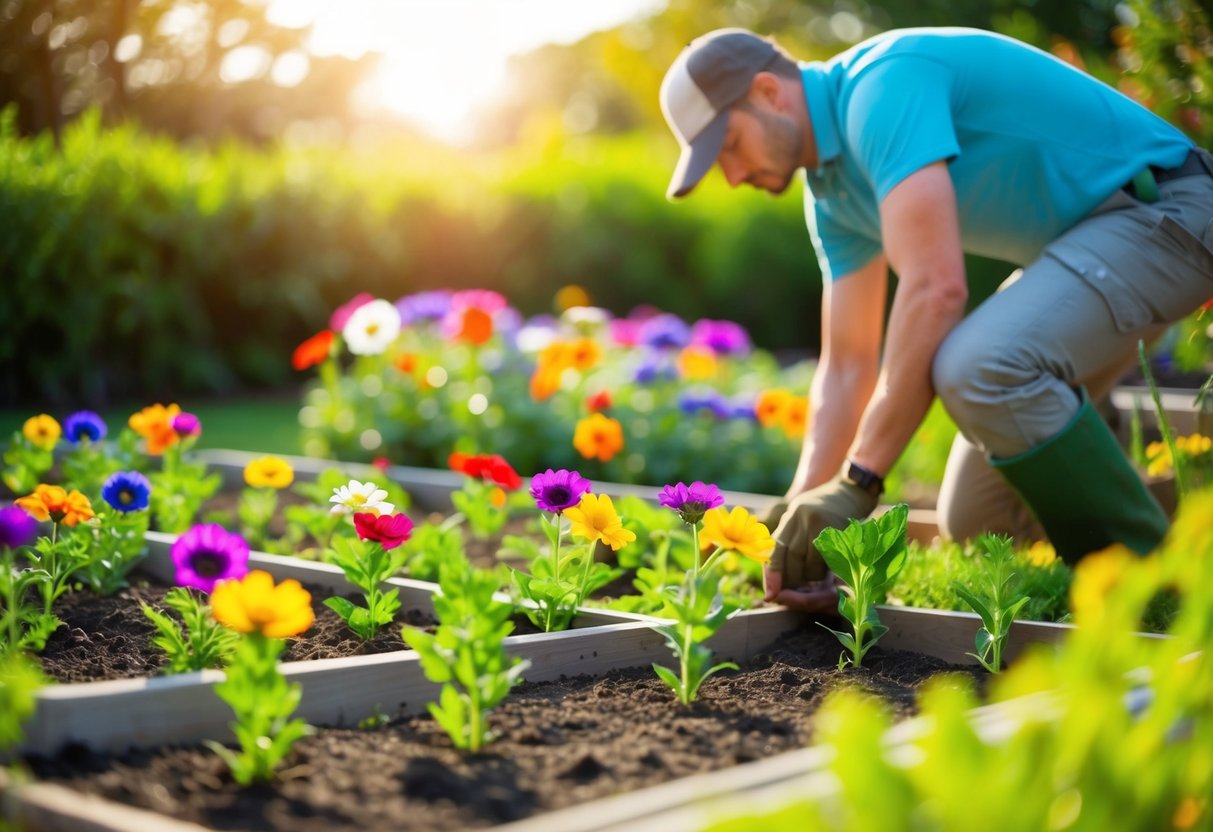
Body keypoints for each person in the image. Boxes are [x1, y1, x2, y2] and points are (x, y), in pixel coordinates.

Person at [659, 26, 1213, 612]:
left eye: (729, 146)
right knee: (977, 523)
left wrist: (858, 482)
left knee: (981, 364)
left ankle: (1161, 596)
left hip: (1166, 209)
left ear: (768, 92)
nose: (734, 176)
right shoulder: (830, 196)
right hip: (1089, 251)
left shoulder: (881, 88)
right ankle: (1119, 497)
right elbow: (847, 365)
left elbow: (935, 289)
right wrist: (801, 511)